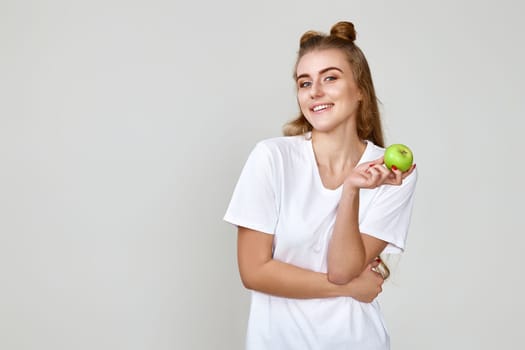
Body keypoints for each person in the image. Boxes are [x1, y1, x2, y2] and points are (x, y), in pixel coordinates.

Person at [224, 21, 417, 350]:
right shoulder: (272, 158)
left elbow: (343, 269)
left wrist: (351, 190)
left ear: (360, 90)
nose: (315, 92)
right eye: (304, 82)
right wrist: (350, 289)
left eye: (330, 78)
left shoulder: (392, 171)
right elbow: (254, 272)